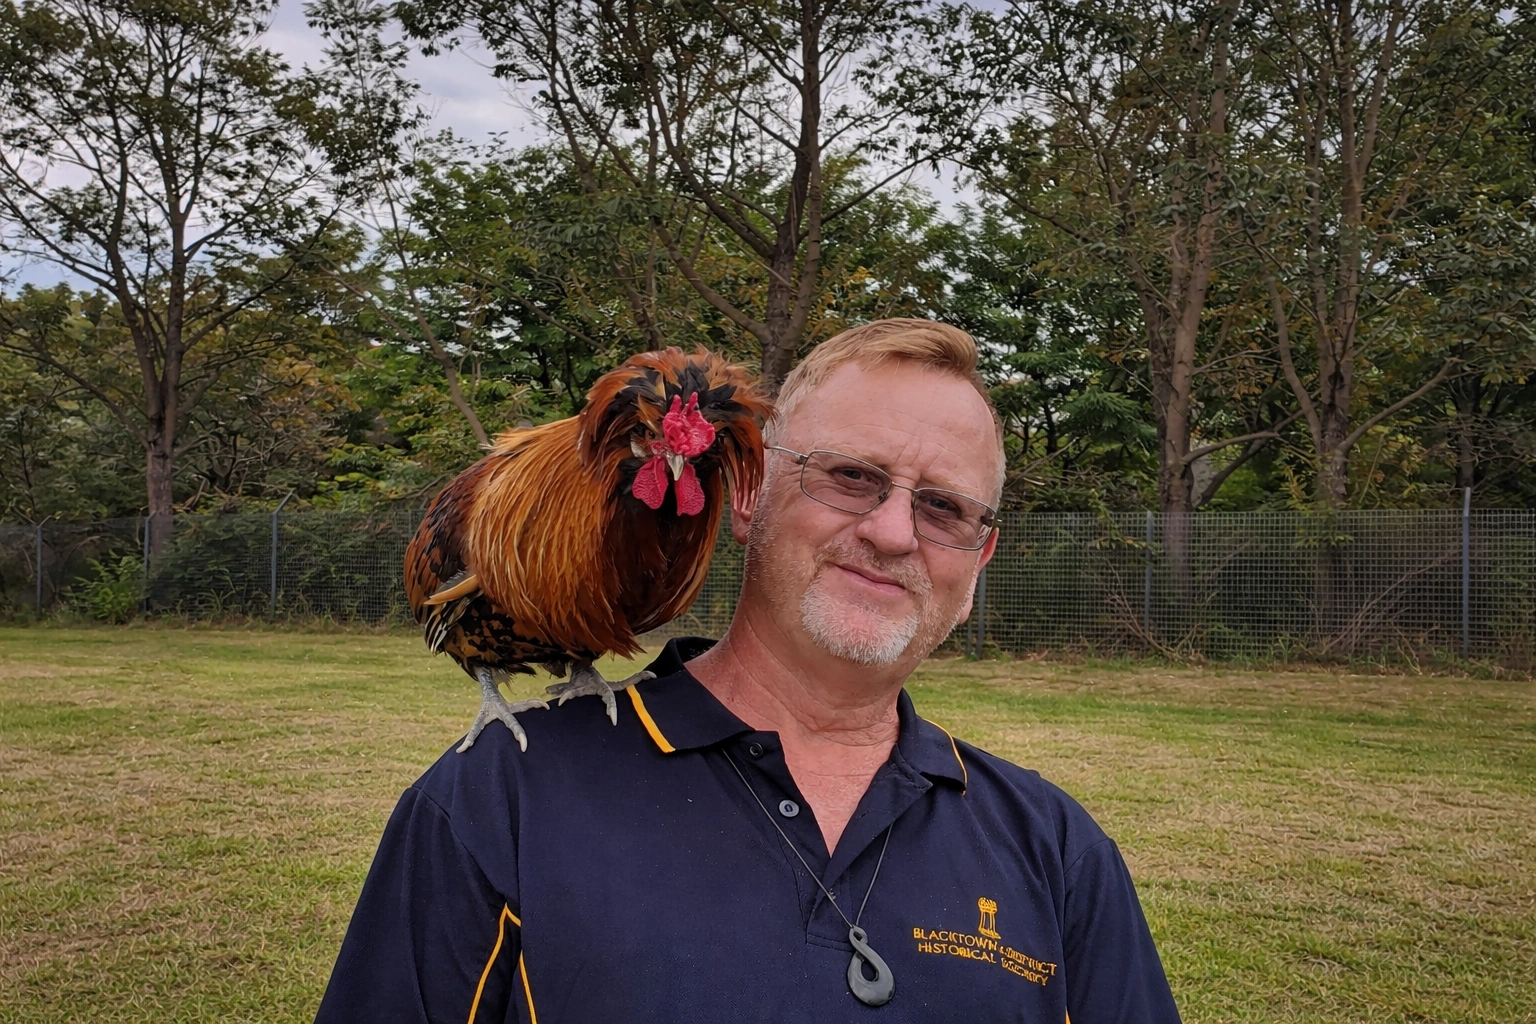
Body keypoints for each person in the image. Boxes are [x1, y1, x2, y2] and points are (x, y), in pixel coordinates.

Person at [314, 319, 1182, 1023]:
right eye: (850, 476)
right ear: (753, 495)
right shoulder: (493, 802)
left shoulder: (1059, 848)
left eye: (943, 506)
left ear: (981, 555)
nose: (892, 532)